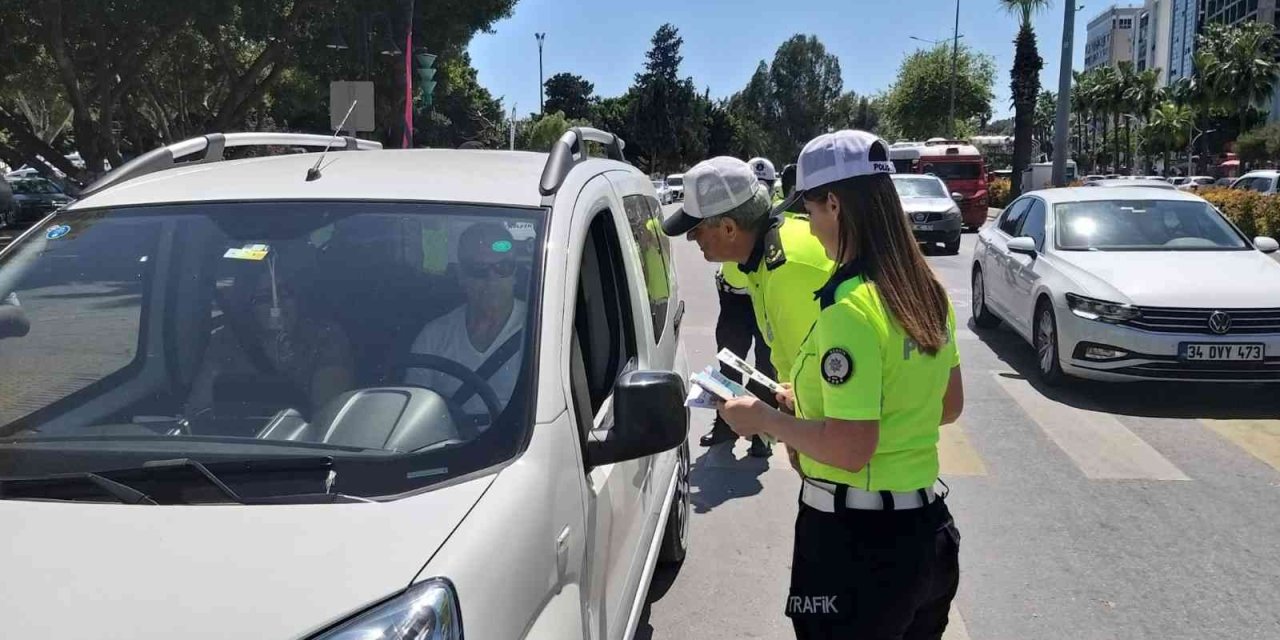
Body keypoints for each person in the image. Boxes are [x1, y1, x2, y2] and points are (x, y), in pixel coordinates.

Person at [717, 130, 964, 639]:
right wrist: (807, 406)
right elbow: (947, 405)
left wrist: (765, 419)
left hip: (856, 547)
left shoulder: (849, 309)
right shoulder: (925, 292)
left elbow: (851, 448)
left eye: (809, 210)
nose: (809, 225)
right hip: (928, 538)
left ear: (833, 203)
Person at [661, 156, 833, 461]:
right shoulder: (764, 259)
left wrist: (779, 427)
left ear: (729, 228)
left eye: (697, 228)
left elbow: (831, 389)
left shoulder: (785, 272)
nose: (691, 237)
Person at [188, 261, 354, 421]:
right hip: (235, 438)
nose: (277, 304)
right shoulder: (226, 343)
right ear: (247, 305)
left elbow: (326, 415)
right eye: (264, 297)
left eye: (285, 293)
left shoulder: (325, 338)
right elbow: (198, 411)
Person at [406, 222, 525, 424]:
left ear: (515, 274)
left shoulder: (541, 330)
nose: (492, 278)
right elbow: (412, 415)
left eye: (503, 267)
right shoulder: (433, 336)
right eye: (479, 269)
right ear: (461, 276)